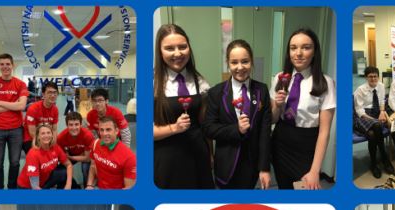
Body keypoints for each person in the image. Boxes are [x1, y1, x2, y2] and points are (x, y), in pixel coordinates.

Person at [202, 39, 273, 189]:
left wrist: (264, 167)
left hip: (252, 164)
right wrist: (236, 129)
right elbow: (208, 128)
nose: (240, 67)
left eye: (245, 61)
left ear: (251, 62)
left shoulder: (262, 90)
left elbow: (264, 132)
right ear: (228, 63)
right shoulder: (216, 92)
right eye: (234, 62)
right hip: (226, 164)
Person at [270, 28, 336, 190]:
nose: (298, 53)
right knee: (284, 188)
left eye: (306, 47)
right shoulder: (280, 78)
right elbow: (272, 119)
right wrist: (277, 105)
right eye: (293, 48)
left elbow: (324, 132)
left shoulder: (325, 82)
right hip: (280, 140)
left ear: (314, 52)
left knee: (304, 193)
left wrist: (315, 171)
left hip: (306, 145)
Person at [152, 23, 214, 189]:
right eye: (169, 48)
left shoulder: (201, 81)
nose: (177, 53)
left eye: (182, 47)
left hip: (198, 154)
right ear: (160, 51)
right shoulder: (151, 84)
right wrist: (174, 128)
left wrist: (210, 153)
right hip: (167, 158)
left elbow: (204, 123)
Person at [0, 54, 28, 189]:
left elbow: (21, 106)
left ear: (12, 65)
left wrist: (0, 102)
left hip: (16, 129)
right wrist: (11, 105)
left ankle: (12, 188)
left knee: (15, 162)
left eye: (7, 64)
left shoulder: (20, 84)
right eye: (2, 64)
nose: (5, 67)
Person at [353, 66, 393, 178]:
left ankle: (374, 164)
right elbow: (359, 110)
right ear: (366, 77)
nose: (373, 79)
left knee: (372, 135)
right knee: (376, 125)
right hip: (363, 116)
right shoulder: (360, 90)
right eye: (370, 77)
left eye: (375, 76)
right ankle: (384, 158)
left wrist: (382, 112)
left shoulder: (381, 86)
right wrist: (374, 119)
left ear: (378, 77)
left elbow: (382, 101)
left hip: (377, 112)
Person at [16, 124, 73, 190]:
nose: (46, 136)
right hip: (27, 187)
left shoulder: (55, 147)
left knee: (63, 172)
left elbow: (69, 165)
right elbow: (34, 186)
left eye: (48, 133)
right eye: (43, 133)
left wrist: (68, 185)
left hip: (43, 183)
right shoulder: (33, 154)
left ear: (52, 135)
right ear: (38, 137)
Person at [87, 116, 137, 190]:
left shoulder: (130, 157)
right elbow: (92, 165)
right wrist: (89, 185)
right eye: (101, 130)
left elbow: (128, 188)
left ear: (116, 131)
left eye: (108, 130)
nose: (104, 133)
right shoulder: (95, 143)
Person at [56, 112, 94, 188]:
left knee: (86, 167)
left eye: (76, 124)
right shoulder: (61, 138)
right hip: (72, 154)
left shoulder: (88, 135)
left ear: (81, 124)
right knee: (60, 171)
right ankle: (72, 187)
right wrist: (68, 158)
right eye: (71, 125)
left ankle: (87, 187)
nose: (74, 128)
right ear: (67, 125)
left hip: (82, 155)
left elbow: (87, 158)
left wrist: (70, 157)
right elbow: (63, 158)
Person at [23, 82, 59, 153]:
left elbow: (54, 130)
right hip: (30, 139)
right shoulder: (33, 108)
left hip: (46, 137)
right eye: (49, 92)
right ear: (43, 94)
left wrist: (53, 142)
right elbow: (32, 132)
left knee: (56, 152)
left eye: (55, 93)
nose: (52, 95)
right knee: (40, 155)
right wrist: (45, 144)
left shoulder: (55, 109)